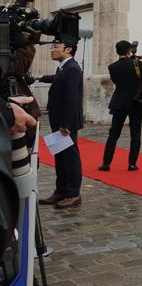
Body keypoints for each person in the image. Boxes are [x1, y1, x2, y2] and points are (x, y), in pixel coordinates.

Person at [38, 39, 84, 208]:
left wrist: (66, 124)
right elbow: (59, 80)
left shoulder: (71, 68)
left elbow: (72, 99)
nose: (52, 50)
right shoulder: (64, 67)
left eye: (56, 47)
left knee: (70, 158)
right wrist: (42, 78)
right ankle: (61, 190)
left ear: (68, 49)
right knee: (60, 156)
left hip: (66, 122)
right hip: (58, 120)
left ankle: (73, 193)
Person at [101, 40, 142, 171]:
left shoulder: (112, 67)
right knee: (135, 134)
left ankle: (106, 163)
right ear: (129, 51)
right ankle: (132, 164)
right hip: (136, 102)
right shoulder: (137, 64)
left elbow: (118, 82)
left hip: (119, 102)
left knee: (113, 134)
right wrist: (140, 62)